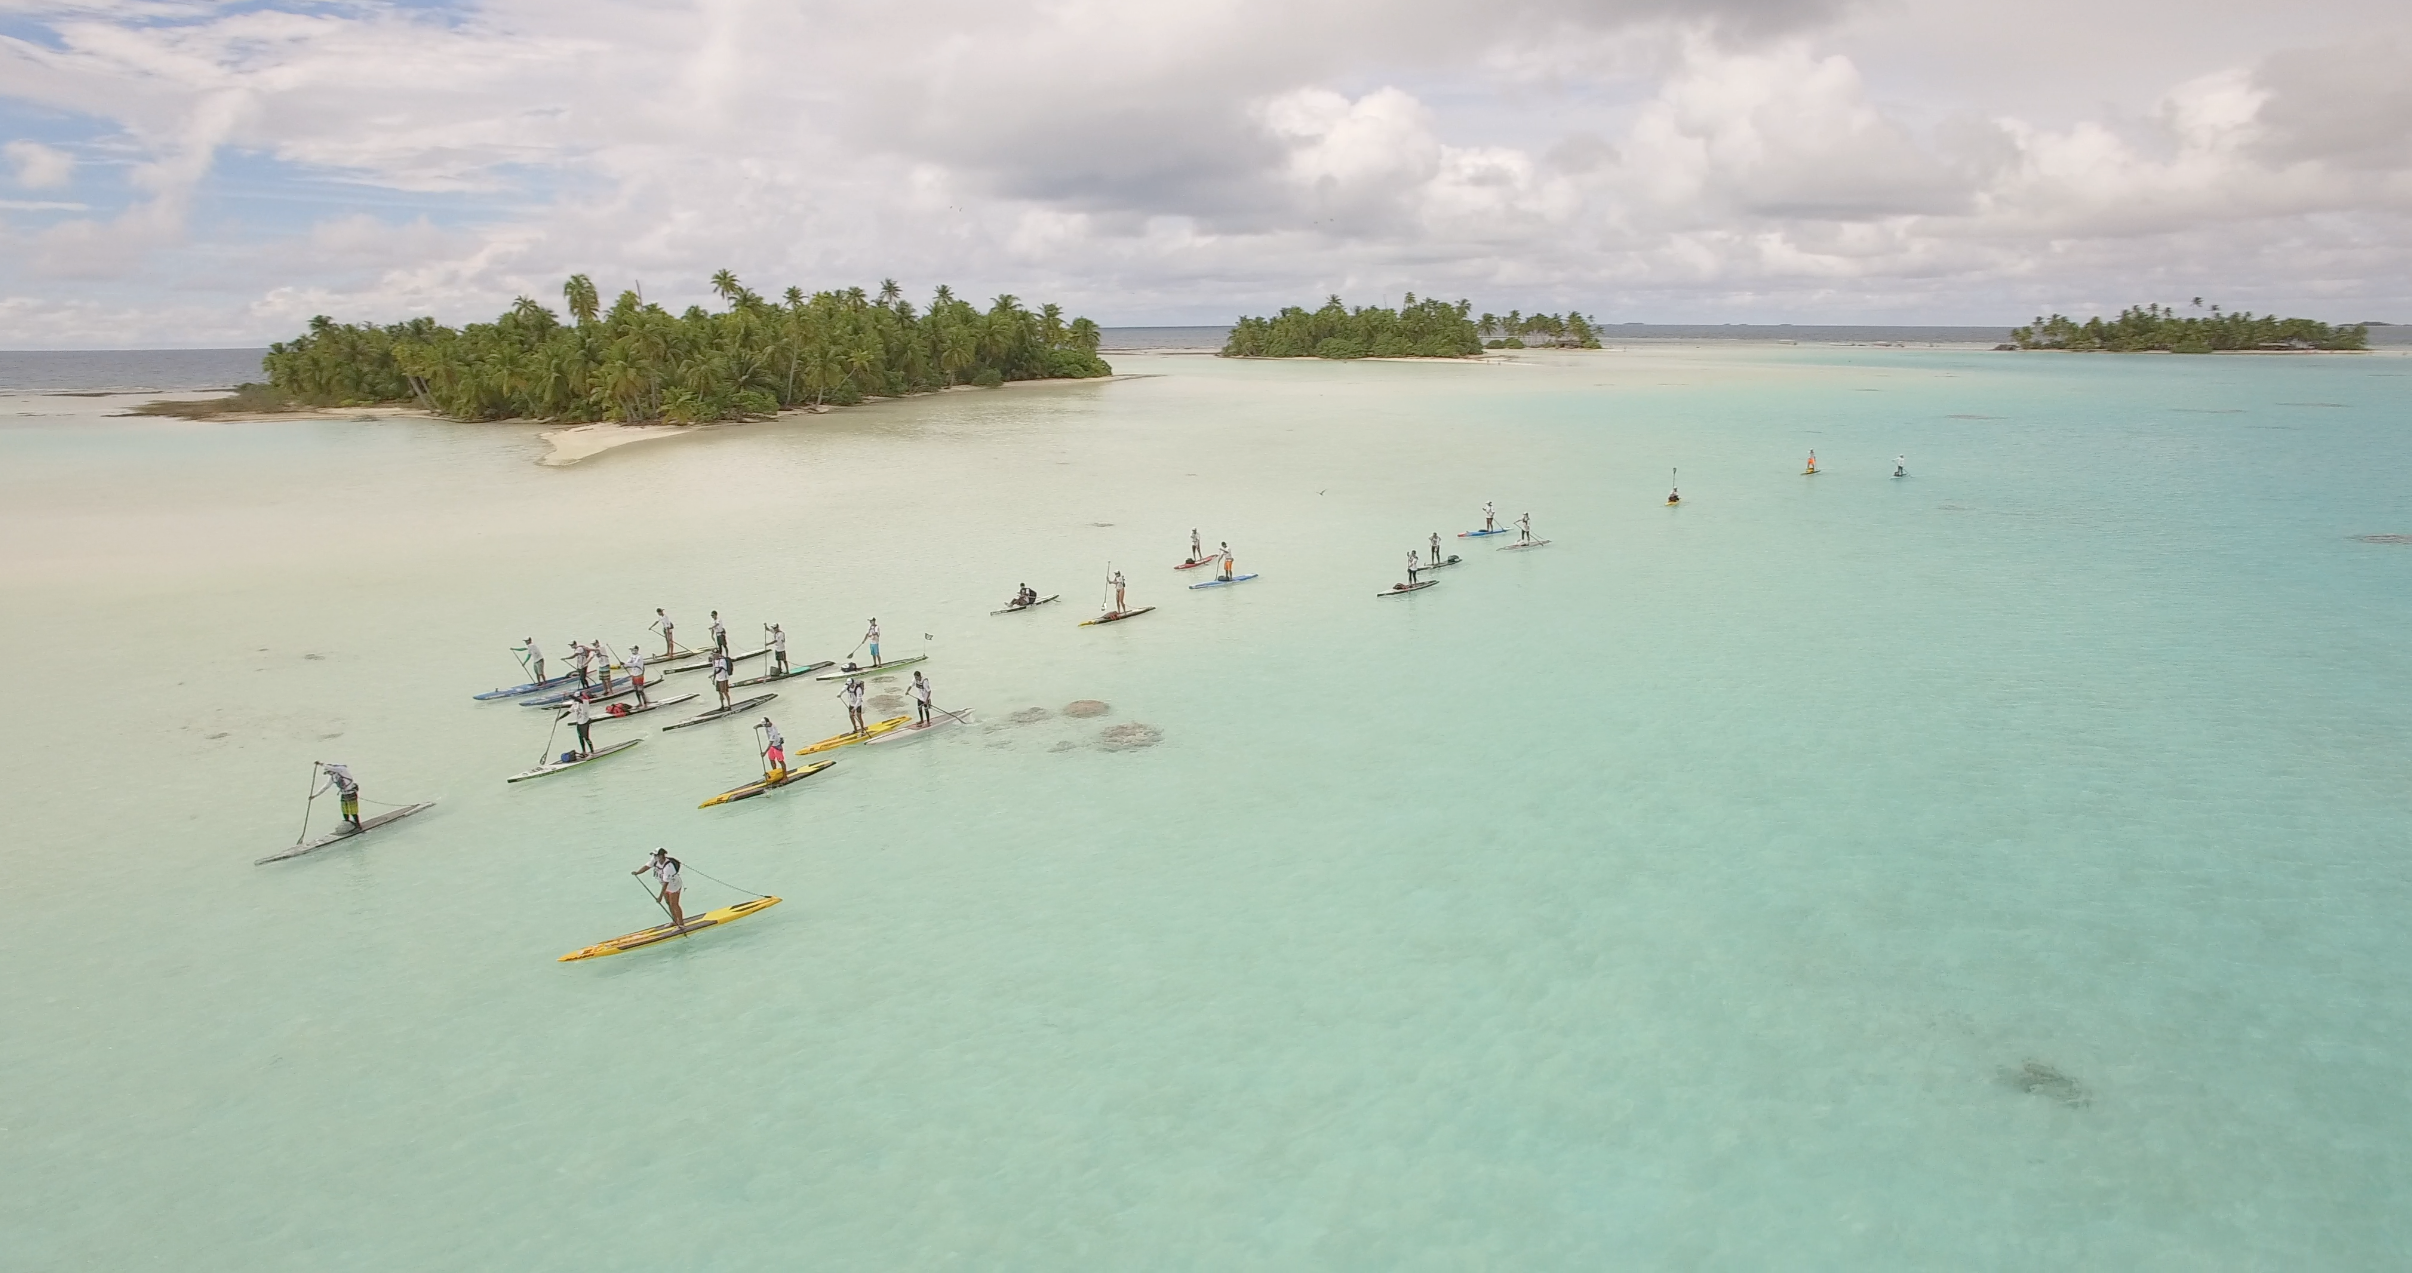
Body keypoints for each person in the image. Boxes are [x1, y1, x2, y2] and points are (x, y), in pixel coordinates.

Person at [632, 848, 686, 930]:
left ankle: (681, 924)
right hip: (665, 885)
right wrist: (638, 872)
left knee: (674, 904)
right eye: (654, 855)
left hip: (674, 885)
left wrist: (660, 897)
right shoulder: (655, 860)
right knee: (668, 902)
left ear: (661, 856)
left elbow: (666, 883)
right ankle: (675, 921)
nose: (654, 857)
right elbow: (647, 866)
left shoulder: (669, 867)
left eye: (656, 855)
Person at [317, 761, 362, 831]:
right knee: (344, 811)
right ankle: (348, 825)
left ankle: (358, 826)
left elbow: (331, 768)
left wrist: (321, 764)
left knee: (353, 812)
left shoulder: (342, 770)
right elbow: (325, 787)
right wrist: (314, 796)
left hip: (351, 793)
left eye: (329, 772)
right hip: (344, 794)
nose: (329, 774)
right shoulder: (333, 777)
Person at [564, 691, 595, 756]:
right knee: (580, 737)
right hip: (579, 722)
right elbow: (568, 712)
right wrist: (559, 718)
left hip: (585, 722)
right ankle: (584, 751)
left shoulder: (585, 702)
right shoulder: (575, 704)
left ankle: (592, 751)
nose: (578, 698)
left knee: (586, 737)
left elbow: (578, 700)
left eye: (578, 697)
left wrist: (569, 695)